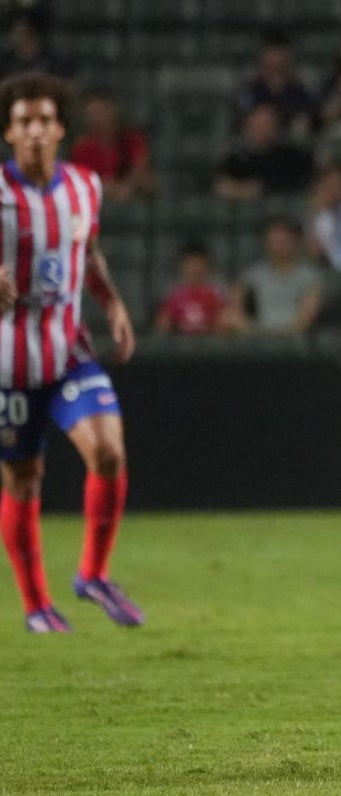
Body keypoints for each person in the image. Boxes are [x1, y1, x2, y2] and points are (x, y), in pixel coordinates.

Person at [0, 72, 142, 632]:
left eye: (43, 120)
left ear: (60, 128)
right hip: (8, 364)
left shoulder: (85, 186)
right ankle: (37, 606)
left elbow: (89, 251)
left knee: (108, 450)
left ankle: (93, 575)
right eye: (22, 122)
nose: (34, 130)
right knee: (24, 479)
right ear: (9, 134)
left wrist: (112, 305)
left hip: (67, 352)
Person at [228, 218, 322, 333]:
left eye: (283, 241)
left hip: (294, 336)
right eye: (274, 241)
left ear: (294, 242)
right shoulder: (255, 273)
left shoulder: (308, 275)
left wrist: (291, 331)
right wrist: (248, 326)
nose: (278, 246)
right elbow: (235, 301)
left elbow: (308, 314)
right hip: (259, 334)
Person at [213, 103, 314, 200]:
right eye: (257, 124)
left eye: (268, 124)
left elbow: (299, 187)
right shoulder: (235, 158)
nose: (262, 129)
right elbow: (221, 185)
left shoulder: (294, 158)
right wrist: (244, 190)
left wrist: (262, 189)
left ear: (277, 127)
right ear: (247, 126)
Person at [69, 88, 154, 202]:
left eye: (101, 111)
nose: (97, 118)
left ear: (112, 110)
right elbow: (82, 181)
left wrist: (126, 186)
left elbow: (140, 168)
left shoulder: (131, 139)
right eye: (92, 114)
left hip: (132, 197)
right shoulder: (83, 148)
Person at [233, 32, 316, 139]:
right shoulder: (249, 89)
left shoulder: (301, 90)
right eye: (271, 61)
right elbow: (241, 119)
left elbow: (307, 119)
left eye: (281, 63)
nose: (276, 62)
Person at [154, 242, 233, 336]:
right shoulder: (173, 292)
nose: (195, 269)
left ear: (207, 265)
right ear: (182, 266)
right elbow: (163, 324)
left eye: (198, 264)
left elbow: (225, 322)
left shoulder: (217, 291)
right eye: (191, 264)